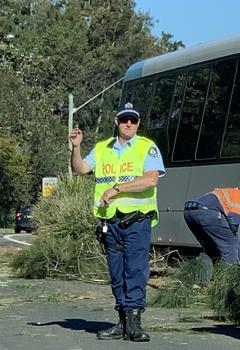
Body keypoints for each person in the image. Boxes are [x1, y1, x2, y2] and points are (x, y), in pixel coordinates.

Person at [70, 102, 165, 342]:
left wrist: (117, 188)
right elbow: (80, 169)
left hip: (136, 220)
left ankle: (134, 322)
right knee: (117, 272)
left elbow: (151, 180)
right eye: (125, 120)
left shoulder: (147, 147)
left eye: (133, 120)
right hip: (110, 221)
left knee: (135, 270)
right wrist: (76, 147)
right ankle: (122, 322)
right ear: (117, 122)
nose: (129, 124)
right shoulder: (103, 148)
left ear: (138, 123)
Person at [183, 187, 240, 282]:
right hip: (207, 212)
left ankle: (200, 284)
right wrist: (239, 259)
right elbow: (233, 228)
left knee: (209, 249)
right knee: (229, 249)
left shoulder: (232, 194)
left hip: (189, 211)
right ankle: (226, 285)